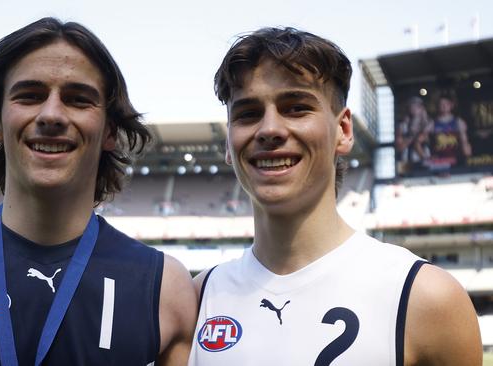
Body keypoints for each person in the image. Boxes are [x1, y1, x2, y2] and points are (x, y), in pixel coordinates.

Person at [0, 17, 197, 366]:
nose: (51, 114)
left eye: (77, 99)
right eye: (29, 96)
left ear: (109, 131)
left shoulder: (165, 289)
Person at [189, 27, 482, 365]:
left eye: (296, 107)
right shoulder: (198, 298)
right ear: (228, 143)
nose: (269, 129)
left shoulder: (425, 296)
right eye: (248, 114)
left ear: (343, 131)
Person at [421, 94, 472, 170]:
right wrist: (426, 157)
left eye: (446, 104)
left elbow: (465, 142)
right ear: (438, 106)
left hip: (456, 160)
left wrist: (469, 160)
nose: (444, 106)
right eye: (441, 104)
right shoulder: (432, 124)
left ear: (451, 105)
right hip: (439, 162)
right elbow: (418, 142)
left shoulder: (459, 122)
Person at [395, 96, 431, 174]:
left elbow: (427, 140)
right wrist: (411, 135)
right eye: (412, 106)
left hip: (424, 161)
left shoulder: (429, 124)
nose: (414, 109)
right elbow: (399, 147)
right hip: (405, 161)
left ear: (422, 108)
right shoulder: (403, 126)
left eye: (417, 106)